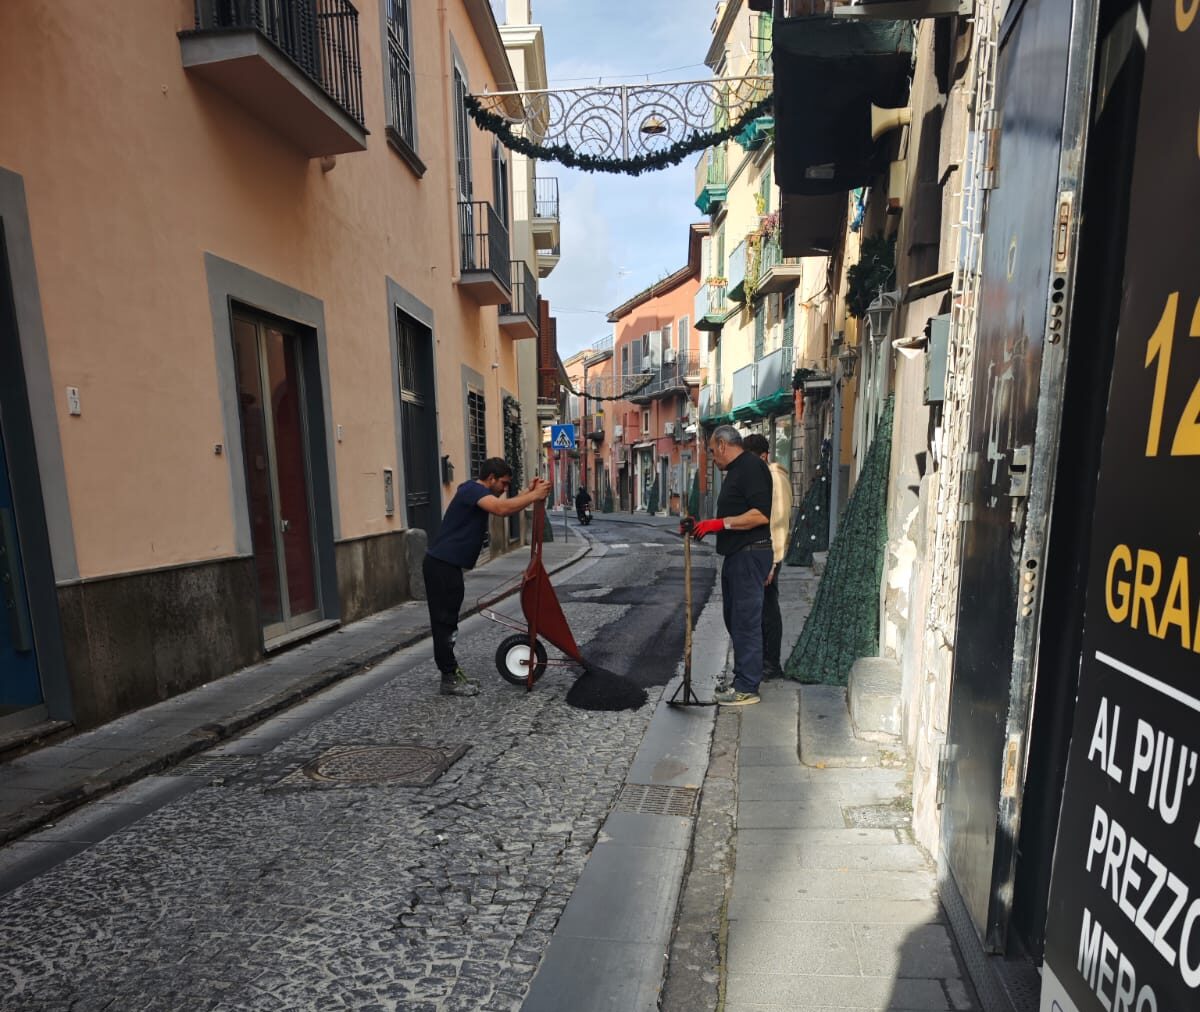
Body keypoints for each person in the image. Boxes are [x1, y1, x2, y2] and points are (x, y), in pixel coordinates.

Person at [423, 458, 551, 696]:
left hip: (447, 566)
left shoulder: (475, 492)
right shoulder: (472, 490)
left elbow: (505, 505)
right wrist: (534, 496)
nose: (505, 489)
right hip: (441, 566)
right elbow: (502, 510)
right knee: (444, 624)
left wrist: (528, 492)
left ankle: (451, 673)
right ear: (491, 478)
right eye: (503, 483)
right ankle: (449, 678)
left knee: (448, 622)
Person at [681, 425, 773, 706]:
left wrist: (719, 524)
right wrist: (701, 527)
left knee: (745, 622)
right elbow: (734, 514)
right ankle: (742, 678)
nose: (712, 457)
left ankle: (747, 688)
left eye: (712, 451)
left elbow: (760, 515)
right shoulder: (736, 471)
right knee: (735, 619)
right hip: (737, 555)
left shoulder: (752, 467)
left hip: (749, 555)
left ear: (722, 444)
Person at [741, 433, 792, 680]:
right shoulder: (761, 477)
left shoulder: (776, 479)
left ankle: (772, 663)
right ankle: (764, 661)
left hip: (770, 555)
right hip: (760, 553)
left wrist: (772, 563)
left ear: (764, 456)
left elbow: (779, 523)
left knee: (769, 609)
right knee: (760, 609)